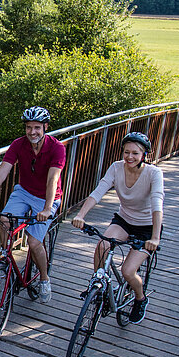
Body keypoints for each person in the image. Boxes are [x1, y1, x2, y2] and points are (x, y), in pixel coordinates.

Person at [70, 131, 163, 324]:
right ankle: (98, 284)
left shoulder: (154, 173)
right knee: (102, 246)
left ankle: (140, 298)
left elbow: (157, 204)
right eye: (126, 152)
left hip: (147, 227)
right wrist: (80, 215)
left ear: (144, 154)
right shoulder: (116, 168)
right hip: (124, 220)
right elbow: (98, 191)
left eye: (135, 153)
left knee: (128, 271)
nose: (129, 157)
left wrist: (155, 238)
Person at [0, 106, 66, 303]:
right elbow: (3, 171)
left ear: (45, 127)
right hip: (24, 192)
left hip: (47, 198)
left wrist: (46, 209)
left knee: (34, 243)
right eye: (28, 127)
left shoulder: (57, 148)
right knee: (4, 220)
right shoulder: (18, 144)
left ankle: (44, 278)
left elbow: (53, 179)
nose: (32, 132)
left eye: (36, 127)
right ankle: (6, 258)